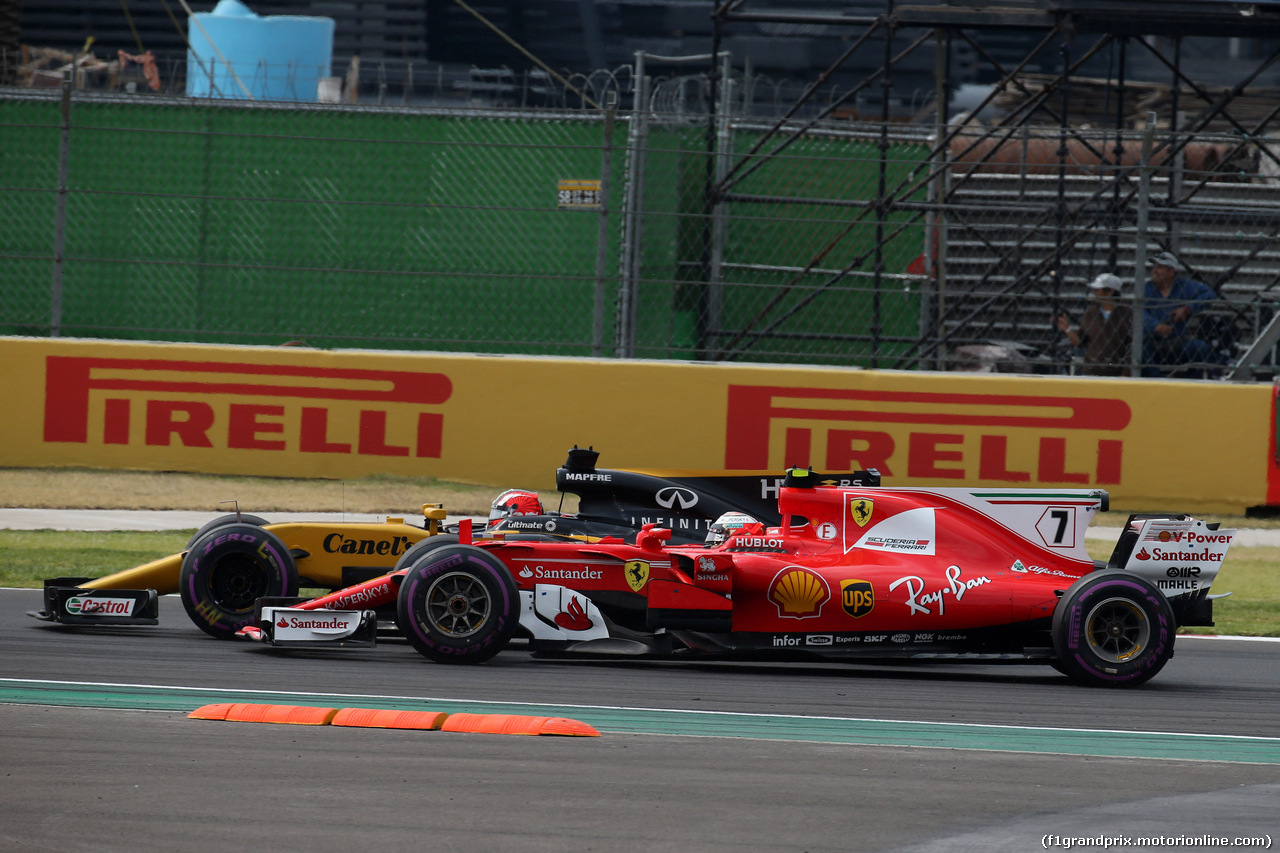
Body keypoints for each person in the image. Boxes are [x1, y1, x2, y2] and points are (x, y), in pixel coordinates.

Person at [1141, 251, 1217, 376]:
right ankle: (1157, 382)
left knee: (1200, 348)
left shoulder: (1184, 286)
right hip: (1151, 342)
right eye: (1154, 267)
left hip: (1177, 342)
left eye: (1160, 267)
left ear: (1171, 272)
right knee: (1140, 350)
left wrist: (1187, 309)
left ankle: (1191, 383)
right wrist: (1155, 326)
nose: (1154, 271)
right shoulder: (1146, 288)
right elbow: (1141, 313)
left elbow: (1209, 295)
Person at [1056, 272, 1133, 376]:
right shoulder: (1091, 312)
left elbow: (1132, 346)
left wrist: (1126, 372)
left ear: (1109, 291)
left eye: (1097, 290)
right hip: (1091, 371)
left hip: (1116, 372)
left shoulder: (1126, 313)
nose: (1094, 293)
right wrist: (1067, 329)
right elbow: (1080, 342)